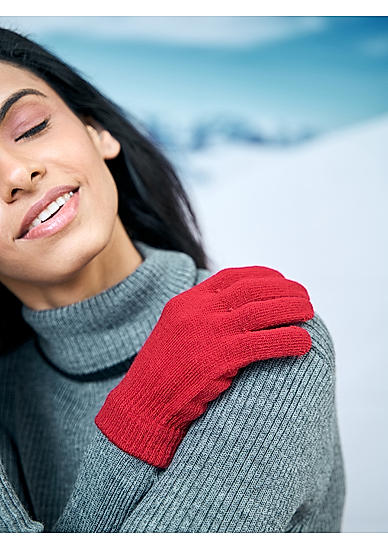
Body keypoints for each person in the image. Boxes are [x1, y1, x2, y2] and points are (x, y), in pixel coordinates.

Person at [0, 27, 345, 533]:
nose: (18, 173)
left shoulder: (259, 336)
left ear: (98, 132)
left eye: (30, 127)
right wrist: (140, 419)